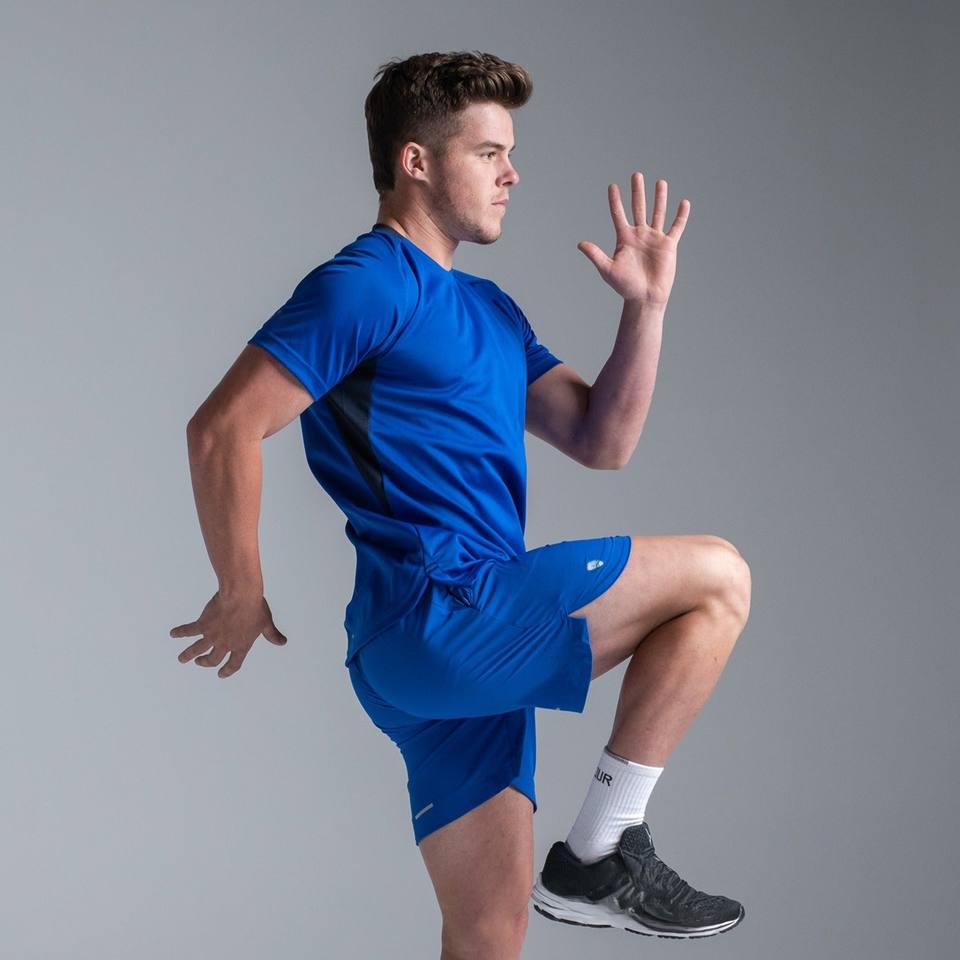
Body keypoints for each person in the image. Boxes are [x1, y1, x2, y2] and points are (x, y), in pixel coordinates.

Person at [170, 50, 751, 957]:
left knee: (488, 932)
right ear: (416, 161)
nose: (512, 173)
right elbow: (222, 429)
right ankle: (601, 849)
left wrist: (646, 308)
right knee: (718, 577)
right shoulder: (368, 282)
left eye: (509, 153)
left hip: (449, 647)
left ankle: (592, 862)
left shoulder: (489, 310)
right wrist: (241, 590)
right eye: (488, 153)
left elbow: (602, 440)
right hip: (441, 612)